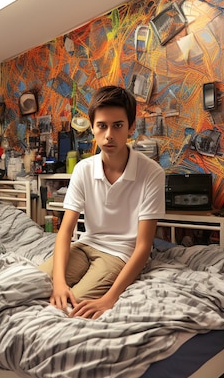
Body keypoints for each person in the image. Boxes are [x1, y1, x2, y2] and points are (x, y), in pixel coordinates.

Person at [39, 85, 165, 319]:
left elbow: (143, 246)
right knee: (37, 284)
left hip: (120, 254)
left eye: (117, 125)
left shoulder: (152, 173)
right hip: (86, 244)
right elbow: (65, 231)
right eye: (102, 126)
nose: (109, 135)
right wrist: (58, 282)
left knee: (74, 308)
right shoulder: (83, 169)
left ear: (130, 127)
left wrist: (110, 298)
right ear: (93, 128)